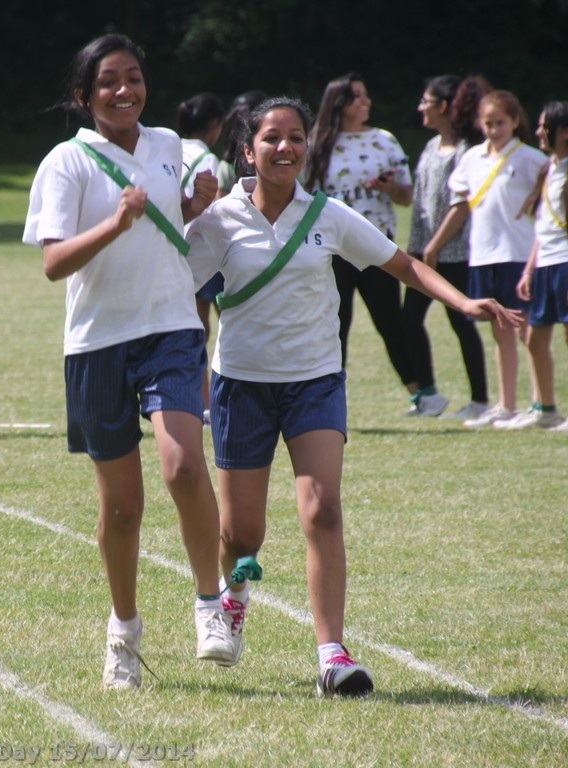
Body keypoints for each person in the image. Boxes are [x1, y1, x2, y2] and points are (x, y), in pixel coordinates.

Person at [185, 97, 522, 697]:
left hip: (315, 381)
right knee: (241, 533)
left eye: (295, 137)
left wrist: (464, 302)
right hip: (241, 384)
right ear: (248, 151)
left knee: (322, 510)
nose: (285, 147)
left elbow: (403, 266)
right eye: (271, 138)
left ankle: (332, 656)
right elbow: (174, 285)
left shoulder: (329, 215)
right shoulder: (218, 220)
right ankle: (233, 596)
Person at [22, 33, 232, 690]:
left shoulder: (169, 145)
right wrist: (114, 224)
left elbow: (173, 229)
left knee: (185, 467)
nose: (124, 90)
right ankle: (124, 632)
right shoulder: (66, 161)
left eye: (134, 77)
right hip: (97, 343)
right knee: (122, 509)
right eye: (109, 80)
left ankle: (211, 605)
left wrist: (193, 208)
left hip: (171, 328)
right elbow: (53, 262)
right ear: (84, 95)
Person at [424, 90, 549, 428]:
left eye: (500, 123)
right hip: (482, 254)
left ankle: (541, 404)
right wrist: (434, 246)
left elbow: (549, 197)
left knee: (528, 332)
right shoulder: (472, 158)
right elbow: (461, 206)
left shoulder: (531, 159)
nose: (494, 130)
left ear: (515, 121)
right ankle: (506, 405)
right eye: (488, 123)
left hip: (518, 254)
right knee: (500, 330)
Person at [306, 73, 419, 410]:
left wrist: (389, 187)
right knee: (334, 325)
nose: (365, 101)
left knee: (390, 322)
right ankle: (329, 400)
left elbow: (406, 197)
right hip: (331, 249)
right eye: (356, 96)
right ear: (338, 102)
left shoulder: (384, 140)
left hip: (376, 247)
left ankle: (420, 394)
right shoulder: (315, 142)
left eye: (365, 94)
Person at [402, 75, 492, 419]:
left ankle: (480, 402)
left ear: (442, 106)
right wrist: (419, 248)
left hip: (453, 255)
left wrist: (435, 246)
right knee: (409, 320)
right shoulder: (430, 147)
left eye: (425, 101)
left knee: (462, 323)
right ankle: (429, 395)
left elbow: (462, 205)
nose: (419, 108)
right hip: (423, 252)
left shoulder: (465, 151)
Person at [513, 101, 568, 430]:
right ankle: (545, 409)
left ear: (564, 132)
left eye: (544, 125)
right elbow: (543, 224)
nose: (537, 132)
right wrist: (529, 270)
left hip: (565, 261)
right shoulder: (548, 168)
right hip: (546, 262)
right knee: (534, 339)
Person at [177, 92, 227, 424]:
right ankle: (209, 405)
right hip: (199, 251)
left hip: (169, 250)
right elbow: (214, 207)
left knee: (193, 328)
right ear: (215, 125)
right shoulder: (207, 158)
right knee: (214, 329)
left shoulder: (167, 150)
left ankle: (199, 402)